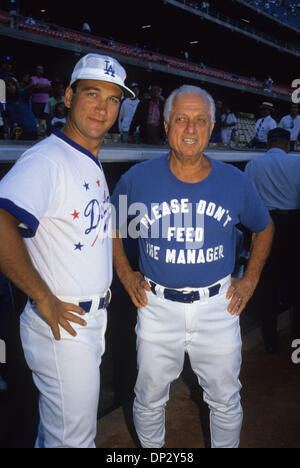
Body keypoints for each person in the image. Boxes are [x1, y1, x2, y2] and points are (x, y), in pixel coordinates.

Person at [112, 85, 274, 449]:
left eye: (200, 120)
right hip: (156, 307)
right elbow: (112, 226)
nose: (190, 129)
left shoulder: (235, 181)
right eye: (181, 119)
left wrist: (249, 281)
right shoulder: (137, 179)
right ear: (166, 126)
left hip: (218, 306)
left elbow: (264, 227)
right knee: (150, 397)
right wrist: (125, 273)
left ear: (212, 127)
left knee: (225, 399)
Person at [0, 53, 134, 448]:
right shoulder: (47, 159)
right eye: (92, 93)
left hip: (88, 320)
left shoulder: (89, 159)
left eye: (113, 99)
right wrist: (43, 298)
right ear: (69, 97)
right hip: (63, 322)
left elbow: (102, 229)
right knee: (74, 441)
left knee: (57, 433)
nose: (102, 107)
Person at [245, 128, 300, 352]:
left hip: (264, 225)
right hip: (293, 224)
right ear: (288, 144)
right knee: (297, 283)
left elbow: (248, 201)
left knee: (267, 282)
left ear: (268, 143)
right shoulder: (297, 162)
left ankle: (270, 341)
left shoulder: (252, 165)